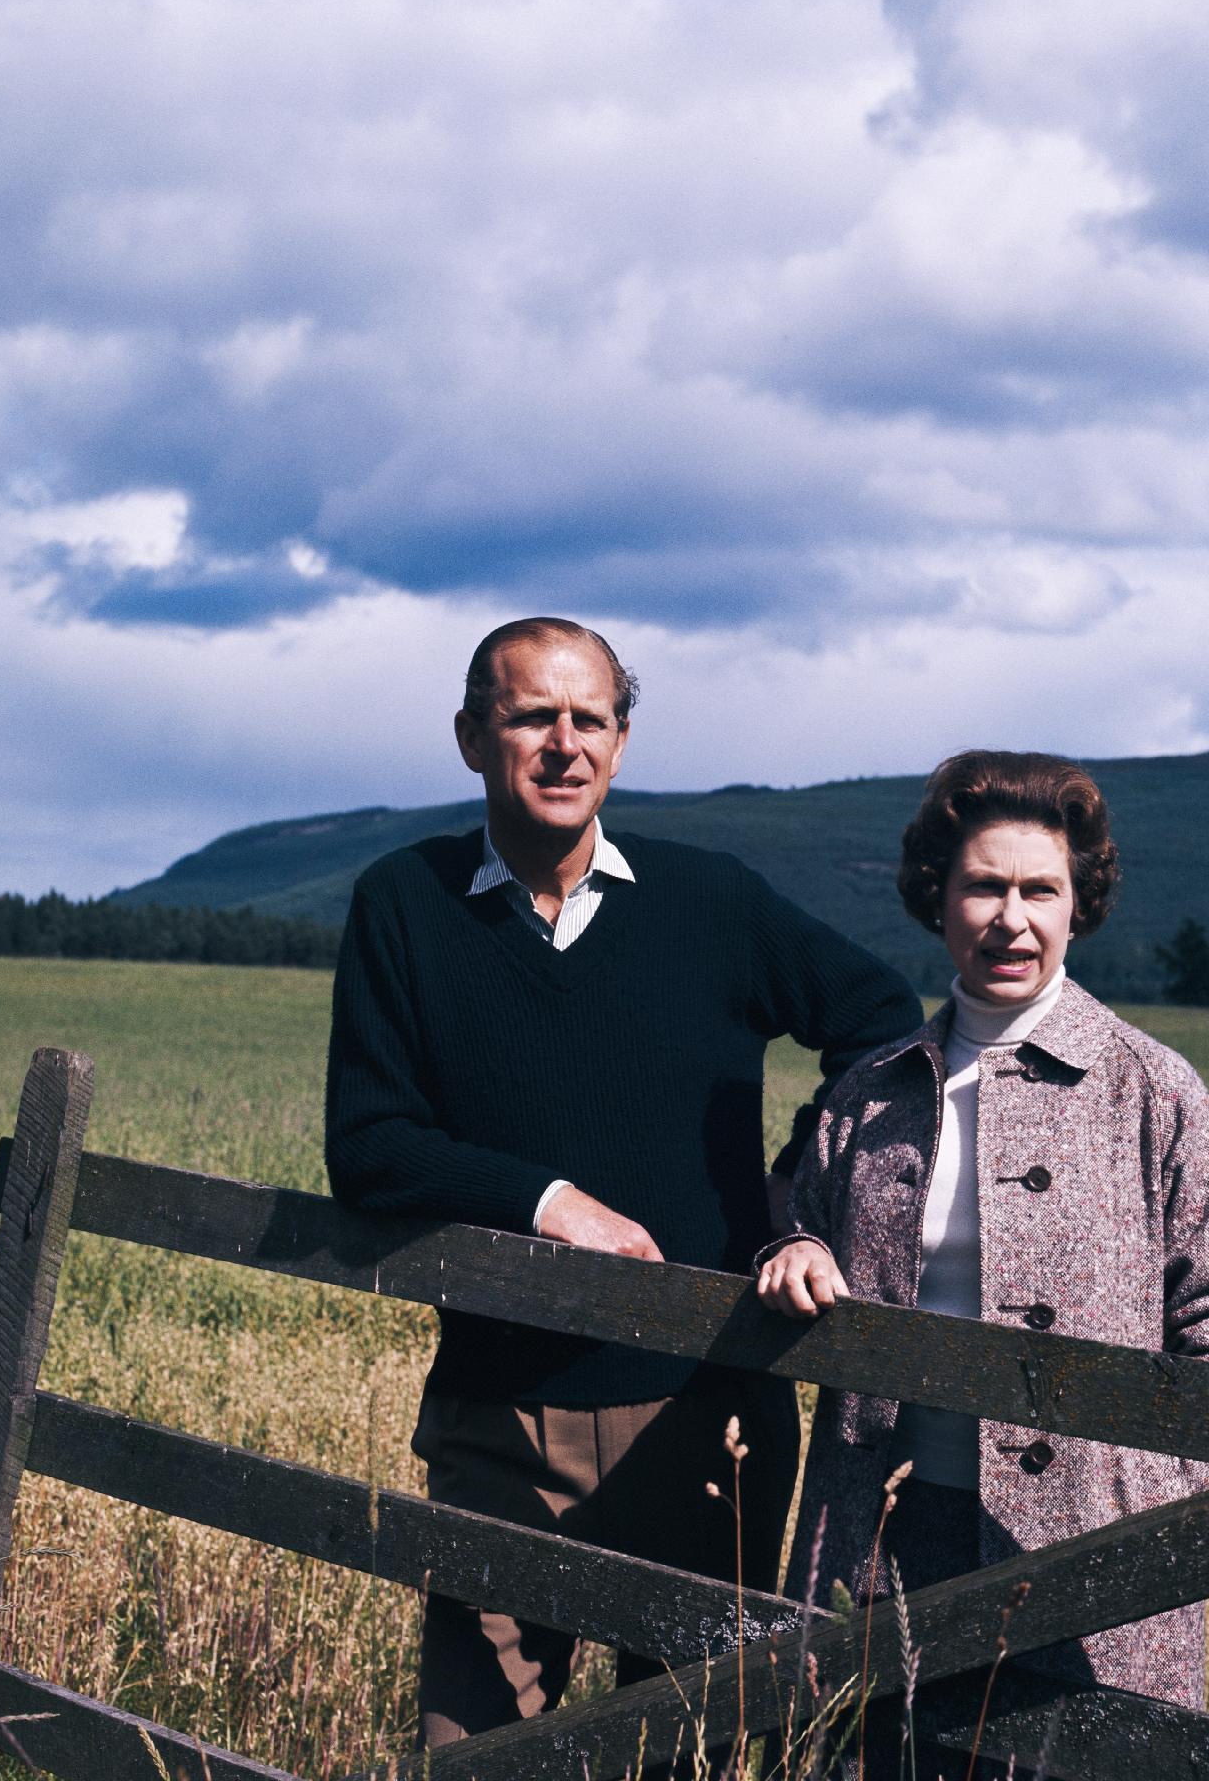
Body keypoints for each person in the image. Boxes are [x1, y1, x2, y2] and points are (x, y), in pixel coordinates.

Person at [325, 616, 921, 1747]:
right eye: (529, 717)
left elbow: (882, 1025)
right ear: (470, 738)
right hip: (500, 1407)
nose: (562, 744)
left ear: (622, 739)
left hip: (710, 1404)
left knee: (694, 1747)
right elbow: (366, 1141)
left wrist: (796, 1198)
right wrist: (546, 1201)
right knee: (477, 1752)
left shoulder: (712, 902)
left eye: (587, 719)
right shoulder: (404, 902)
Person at [756, 749, 1209, 1710]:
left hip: (1092, 1562)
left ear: (1079, 903)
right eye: (983, 887)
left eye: (1042, 889)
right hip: (880, 1547)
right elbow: (808, 1236)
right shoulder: (865, 1096)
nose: (1012, 919)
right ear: (936, 899)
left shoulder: (1153, 1091)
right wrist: (795, 1250)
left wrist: (1154, 1538)